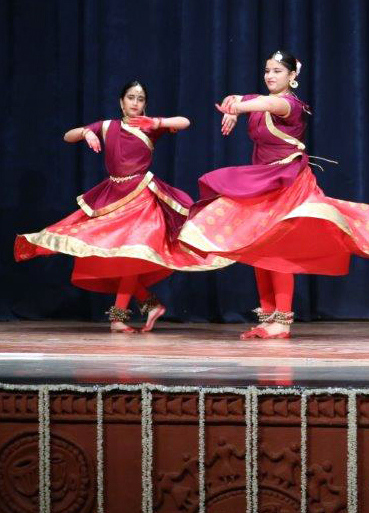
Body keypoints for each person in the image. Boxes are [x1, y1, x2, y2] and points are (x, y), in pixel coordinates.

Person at [179, 50, 369, 339]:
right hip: (264, 181)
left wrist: (238, 107)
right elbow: (241, 98)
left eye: (277, 71)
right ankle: (267, 317)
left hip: (289, 182)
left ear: (292, 76)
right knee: (256, 247)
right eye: (267, 70)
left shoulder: (290, 104)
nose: (270, 76)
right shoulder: (259, 101)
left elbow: (266, 103)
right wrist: (233, 106)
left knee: (277, 248)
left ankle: (283, 321)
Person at [15, 81, 228, 331]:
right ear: (121, 101)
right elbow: (67, 136)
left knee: (131, 253)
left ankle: (119, 317)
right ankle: (148, 304)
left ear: (145, 104)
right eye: (131, 97)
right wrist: (86, 133)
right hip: (113, 196)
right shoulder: (108, 126)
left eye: (140, 98)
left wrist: (156, 122)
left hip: (141, 196)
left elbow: (185, 122)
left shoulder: (148, 127)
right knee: (109, 251)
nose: (135, 102)